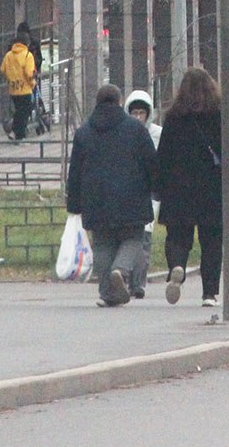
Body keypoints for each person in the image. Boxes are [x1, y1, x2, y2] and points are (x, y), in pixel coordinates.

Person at [66, 84, 157, 308]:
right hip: (131, 196)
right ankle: (120, 270)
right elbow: (151, 163)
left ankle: (108, 292)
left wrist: (74, 202)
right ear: (119, 102)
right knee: (133, 238)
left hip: (96, 200)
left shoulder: (84, 131)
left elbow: (75, 170)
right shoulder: (136, 129)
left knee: (103, 243)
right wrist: (157, 187)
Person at [153, 68, 223, 307]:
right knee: (211, 241)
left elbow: (163, 156)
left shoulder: (173, 117)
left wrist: (160, 187)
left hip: (178, 187)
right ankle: (210, 294)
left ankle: (178, 266)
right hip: (211, 187)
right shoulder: (218, 115)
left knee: (178, 236)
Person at [123, 90, 163, 300]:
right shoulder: (122, 133)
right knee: (129, 236)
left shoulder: (157, 133)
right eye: (134, 113)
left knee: (144, 238)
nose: (138, 117)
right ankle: (126, 278)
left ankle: (138, 282)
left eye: (141, 113)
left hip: (150, 192)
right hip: (128, 191)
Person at [0, 31, 36, 140]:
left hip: (13, 89)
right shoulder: (27, 55)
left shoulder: (8, 55)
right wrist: (33, 84)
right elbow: (29, 73)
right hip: (25, 89)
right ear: (27, 43)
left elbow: (2, 69)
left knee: (19, 111)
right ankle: (19, 135)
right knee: (24, 113)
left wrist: (10, 78)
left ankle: (15, 132)